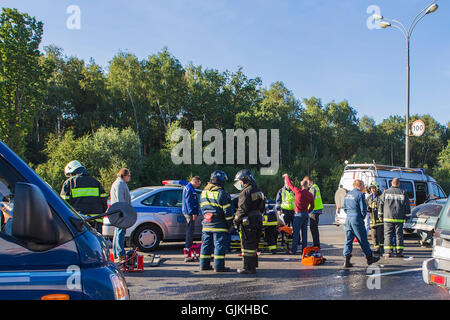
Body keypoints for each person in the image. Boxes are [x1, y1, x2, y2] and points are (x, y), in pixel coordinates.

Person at [60, 160, 108, 233]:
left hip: (78, 222)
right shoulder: (96, 182)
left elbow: (63, 204)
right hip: (96, 221)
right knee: (97, 242)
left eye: (69, 174)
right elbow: (104, 202)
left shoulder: (69, 183)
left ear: (72, 172)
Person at [199, 171, 233, 272]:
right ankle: (218, 267)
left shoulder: (203, 192)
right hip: (219, 224)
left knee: (205, 245)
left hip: (206, 223)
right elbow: (227, 211)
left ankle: (204, 266)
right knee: (219, 246)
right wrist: (230, 224)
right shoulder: (221, 192)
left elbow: (202, 207)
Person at [233, 169, 265, 274]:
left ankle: (248, 268)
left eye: (240, 181)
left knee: (247, 245)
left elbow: (242, 209)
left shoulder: (245, 192)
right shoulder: (258, 190)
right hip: (258, 220)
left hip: (249, 222)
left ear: (245, 180)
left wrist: (236, 220)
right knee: (254, 244)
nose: (240, 183)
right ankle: (253, 266)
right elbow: (262, 207)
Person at [342, 180, 379, 268]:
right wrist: (361, 218)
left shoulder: (347, 195)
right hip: (356, 218)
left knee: (348, 239)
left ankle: (346, 260)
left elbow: (345, 209)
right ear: (359, 186)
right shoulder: (360, 195)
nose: (364, 187)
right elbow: (363, 210)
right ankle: (369, 258)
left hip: (348, 219)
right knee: (362, 239)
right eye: (363, 185)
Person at [283, 174, 315, 256]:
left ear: (301, 185)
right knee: (304, 233)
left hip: (298, 215)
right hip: (305, 214)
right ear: (307, 186)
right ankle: (304, 251)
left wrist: (287, 176)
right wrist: (308, 211)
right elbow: (313, 206)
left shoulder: (298, 191)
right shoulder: (310, 195)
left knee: (296, 233)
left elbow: (290, 184)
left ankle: (294, 251)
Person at [379, 178, 410, 258]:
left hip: (387, 217)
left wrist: (380, 215)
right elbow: (407, 206)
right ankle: (399, 252)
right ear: (399, 183)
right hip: (399, 218)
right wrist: (407, 217)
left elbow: (381, 204)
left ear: (391, 183)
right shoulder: (403, 193)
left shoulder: (385, 192)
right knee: (399, 235)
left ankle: (388, 253)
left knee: (388, 234)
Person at [110, 168, 132, 262]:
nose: (129, 177)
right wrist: (124, 211)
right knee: (120, 232)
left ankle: (116, 253)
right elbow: (120, 199)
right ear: (124, 175)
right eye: (129, 175)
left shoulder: (118, 183)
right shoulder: (120, 184)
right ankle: (120, 254)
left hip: (118, 211)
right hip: (121, 211)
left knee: (117, 231)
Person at [182, 176, 202, 262]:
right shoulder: (189, 189)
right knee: (189, 232)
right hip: (189, 213)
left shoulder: (190, 188)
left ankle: (189, 250)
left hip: (190, 212)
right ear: (195, 181)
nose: (198, 186)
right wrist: (193, 213)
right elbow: (189, 202)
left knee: (190, 231)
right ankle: (188, 252)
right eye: (198, 184)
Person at [304, 176, 324, 249]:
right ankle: (316, 243)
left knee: (313, 228)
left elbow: (310, 198)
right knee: (314, 228)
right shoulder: (315, 186)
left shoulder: (313, 188)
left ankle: (316, 244)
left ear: (309, 181)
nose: (306, 184)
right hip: (316, 209)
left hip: (314, 210)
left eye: (306, 182)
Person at [275, 183, 295, 251]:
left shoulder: (294, 190)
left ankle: (295, 241)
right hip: (285, 211)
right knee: (285, 227)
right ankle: (284, 242)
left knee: (295, 227)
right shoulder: (281, 191)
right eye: (288, 184)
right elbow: (278, 201)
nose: (289, 185)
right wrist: (278, 209)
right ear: (285, 184)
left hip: (293, 211)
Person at [366, 182, 384, 255]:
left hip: (379, 220)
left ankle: (381, 249)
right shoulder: (369, 198)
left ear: (377, 188)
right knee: (374, 236)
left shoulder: (381, 197)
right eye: (371, 188)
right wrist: (367, 209)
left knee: (380, 235)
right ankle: (376, 248)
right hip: (372, 220)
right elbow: (366, 206)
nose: (372, 189)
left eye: (374, 188)